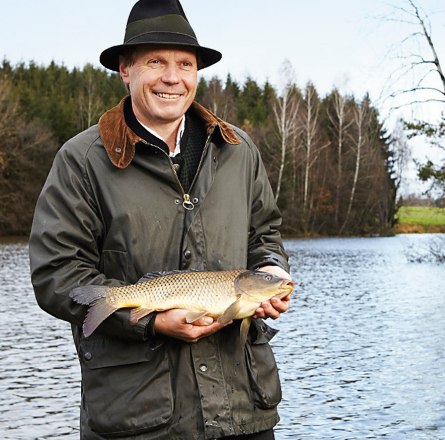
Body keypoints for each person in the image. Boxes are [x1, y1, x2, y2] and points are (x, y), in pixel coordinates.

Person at [28, 0, 292, 438]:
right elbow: (57, 274)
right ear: (125, 69)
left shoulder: (238, 149)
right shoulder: (80, 160)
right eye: (156, 61)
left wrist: (270, 272)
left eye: (185, 64)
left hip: (242, 410)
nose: (173, 78)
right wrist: (149, 321)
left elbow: (265, 233)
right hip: (136, 418)